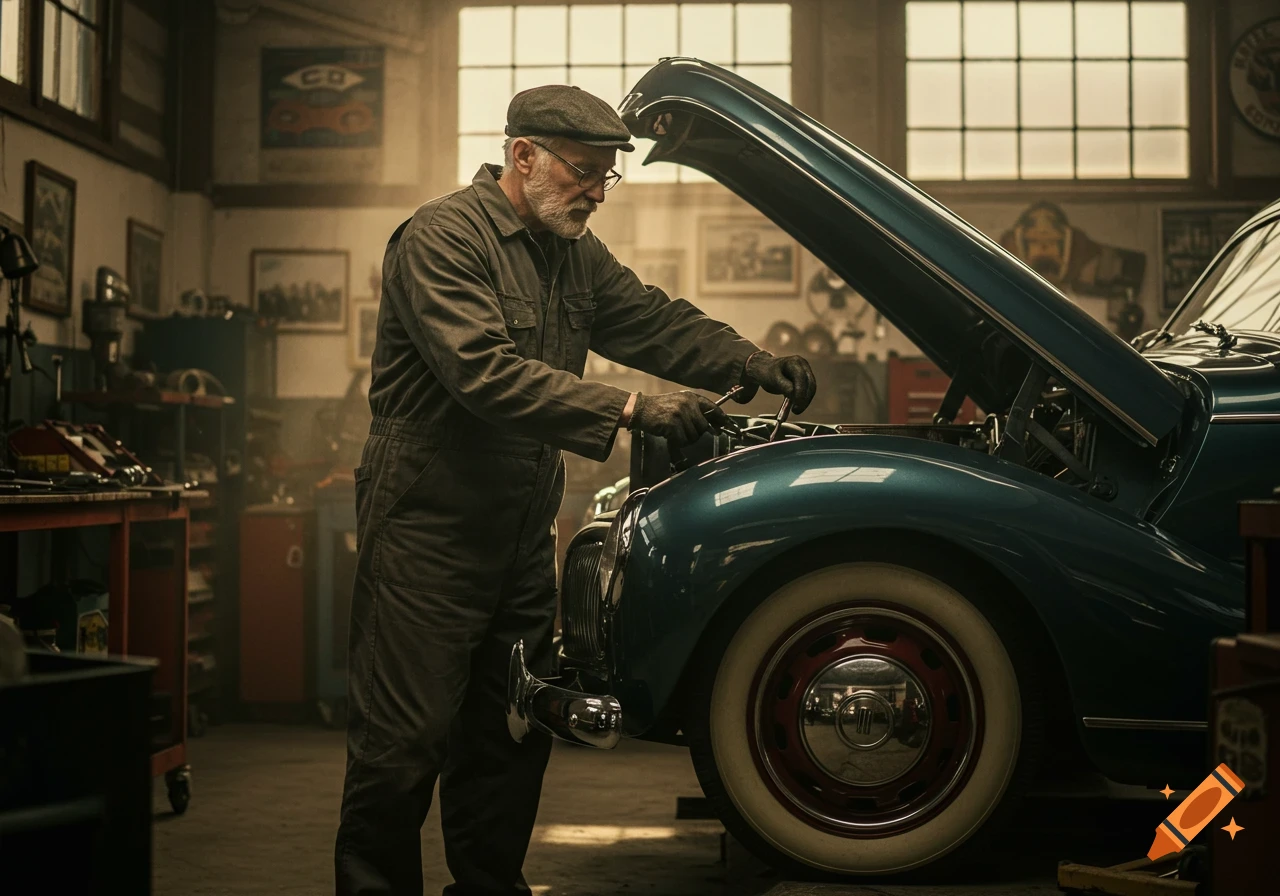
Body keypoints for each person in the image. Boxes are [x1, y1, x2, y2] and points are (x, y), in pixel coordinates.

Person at [334, 84, 817, 896]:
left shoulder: (571, 252)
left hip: (521, 528)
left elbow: (652, 319)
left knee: (510, 728)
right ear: (522, 156)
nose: (596, 192)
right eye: (585, 172)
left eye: (606, 177)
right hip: (427, 526)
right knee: (405, 738)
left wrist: (748, 361)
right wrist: (634, 406)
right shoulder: (442, 239)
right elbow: (483, 373)